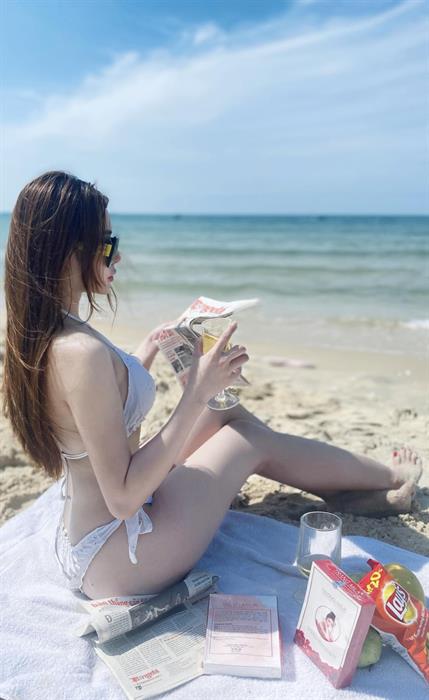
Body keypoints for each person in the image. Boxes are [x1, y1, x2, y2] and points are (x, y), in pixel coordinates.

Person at [2, 171, 422, 600]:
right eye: (107, 243)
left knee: (223, 411)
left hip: (98, 533)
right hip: (119, 554)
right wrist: (195, 393)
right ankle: (381, 481)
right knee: (245, 439)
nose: (118, 256)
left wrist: (148, 348)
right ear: (69, 251)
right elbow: (123, 498)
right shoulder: (80, 352)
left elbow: (97, 409)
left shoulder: (51, 334)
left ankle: (353, 486)